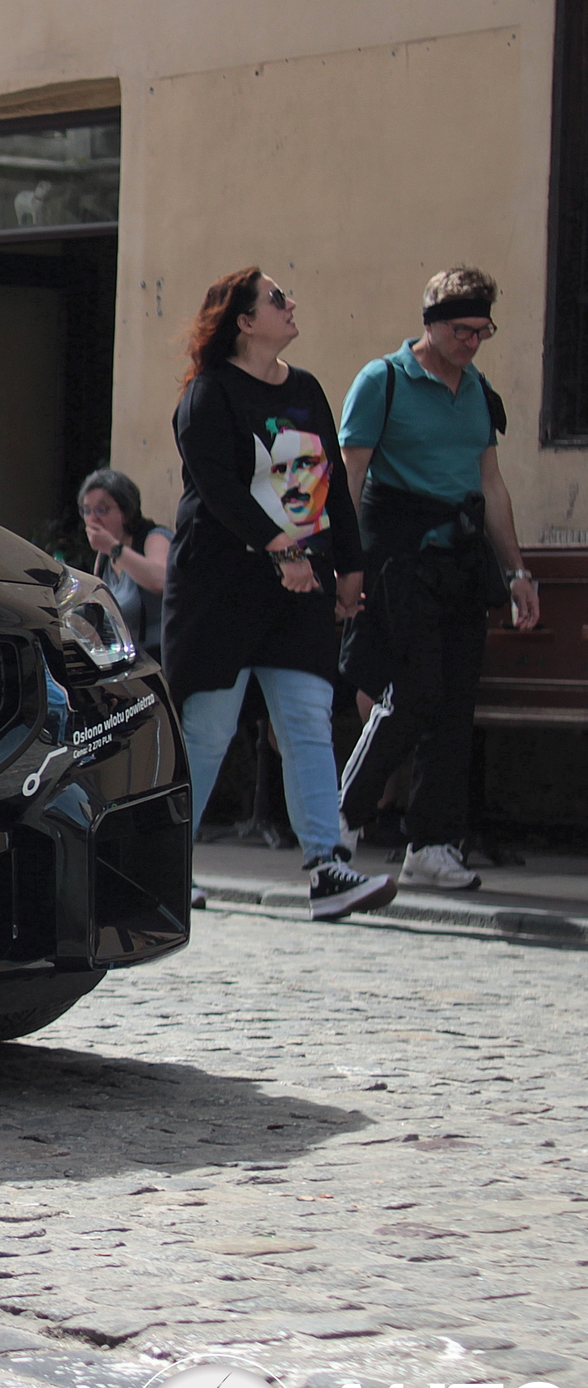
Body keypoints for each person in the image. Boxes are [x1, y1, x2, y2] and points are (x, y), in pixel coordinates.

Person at [161, 267, 394, 921]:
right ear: (243, 321)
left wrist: (349, 565)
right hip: (221, 585)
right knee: (207, 731)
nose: (291, 304)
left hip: (299, 586)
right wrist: (282, 549)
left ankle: (327, 867)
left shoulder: (309, 387)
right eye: (276, 298)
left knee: (307, 723)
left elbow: (330, 485)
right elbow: (220, 490)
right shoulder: (207, 394)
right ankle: (169, 867)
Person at [335, 267, 542, 889]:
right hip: (400, 554)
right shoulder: (384, 381)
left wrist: (517, 571)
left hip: (462, 557)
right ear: (430, 322)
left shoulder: (477, 390)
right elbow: (350, 479)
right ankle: (339, 821)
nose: (472, 342)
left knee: (455, 702)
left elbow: (491, 484)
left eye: (483, 331)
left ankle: (432, 842)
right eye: (461, 330)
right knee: (414, 691)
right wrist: (345, 565)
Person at [78, 467, 169, 665]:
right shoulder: (103, 557)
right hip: (129, 661)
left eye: (102, 510)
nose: (93, 519)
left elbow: (160, 581)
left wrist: (114, 549)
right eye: (87, 511)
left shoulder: (152, 538)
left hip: (163, 658)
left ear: (126, 513)